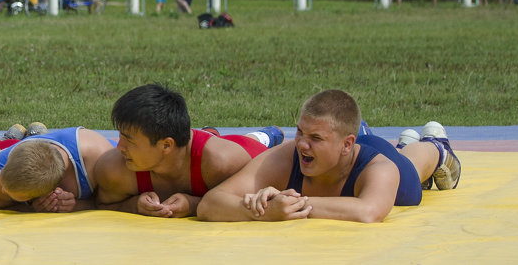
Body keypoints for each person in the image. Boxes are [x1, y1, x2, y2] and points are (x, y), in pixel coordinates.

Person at [197, 89, 461, 223]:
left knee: (411, 166)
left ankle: (437, 146)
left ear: (347, 144)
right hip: (344, 147)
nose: (302, 144)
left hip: (378, 158)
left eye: (315, 138)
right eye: (300, 132)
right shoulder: (288, 155)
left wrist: (289, 204)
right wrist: (267, 213)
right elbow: (210, 204)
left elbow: (368, 212)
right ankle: (403, 141)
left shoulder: (380, 168)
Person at [94, 84, 278, 218]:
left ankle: (266, 135)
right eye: (120, 136)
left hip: (235, 148)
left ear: (166, 145)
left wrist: (193, 204)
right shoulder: (114, 168)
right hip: (193, 152)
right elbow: (100, 205)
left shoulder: (223, 162)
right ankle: (208, 132)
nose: (119, 147)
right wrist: (134, 205)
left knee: (253, 141)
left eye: (129, 140)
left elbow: (259, 199)